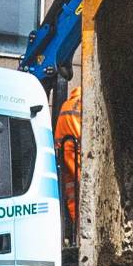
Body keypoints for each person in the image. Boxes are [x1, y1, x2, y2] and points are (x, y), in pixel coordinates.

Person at [55, 84, 82, 242]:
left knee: (71, 194)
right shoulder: (84, 104)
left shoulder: (67, 104)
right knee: (82, 193)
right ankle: (80, 234)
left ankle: (76, 234)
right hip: (76, 151)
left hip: (64, 152)